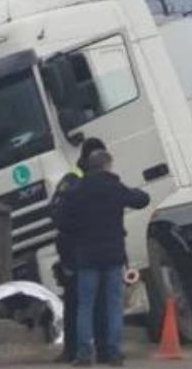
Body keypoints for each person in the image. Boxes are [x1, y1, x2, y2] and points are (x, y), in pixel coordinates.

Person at [64, 150, 150, 366]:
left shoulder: (77, 190)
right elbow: (141, 200)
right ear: (107, 166)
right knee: (113, 303)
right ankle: (113, 352)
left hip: (86, 255)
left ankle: (84, 354)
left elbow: (64, 220)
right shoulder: (115, 187)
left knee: (85, 305)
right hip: (113, 254)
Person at [50, 138, 108, 362]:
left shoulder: (101, 179)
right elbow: (56, 213)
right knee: (76, 302)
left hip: (96, 248)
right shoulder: (73, 180)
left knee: (98, 302)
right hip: (76, 250)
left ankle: (102, 349)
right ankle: (73, 350)